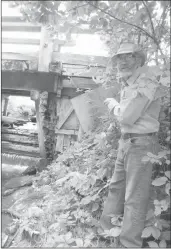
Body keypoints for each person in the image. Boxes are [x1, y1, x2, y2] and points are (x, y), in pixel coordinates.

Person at [100, 42, 163, 248]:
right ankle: (105, 234)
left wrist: (112, 105)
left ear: (139, 59)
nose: (122, 61)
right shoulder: (129, 82)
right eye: (119, 57)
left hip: (141, 144)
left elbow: (126, 117)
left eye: (128, 56)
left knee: (134, 198)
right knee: (116, 189)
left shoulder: (147, 81)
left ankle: (128, 244)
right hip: (127, 142)